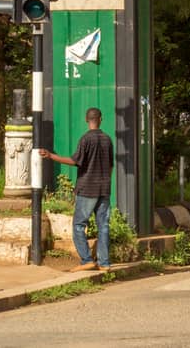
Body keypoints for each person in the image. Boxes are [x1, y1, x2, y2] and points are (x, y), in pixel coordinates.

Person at [39, 107, 114, 271]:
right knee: (103, 226)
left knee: (79, 225)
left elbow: (75, 161)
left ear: (87, 120)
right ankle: (104, 263)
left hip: (87, 189)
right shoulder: (107, 139)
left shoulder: (86, 139)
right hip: (104, 188)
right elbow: (110, 166)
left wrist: (51, 156)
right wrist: (106, 181)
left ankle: (87, 259)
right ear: (101, 119)